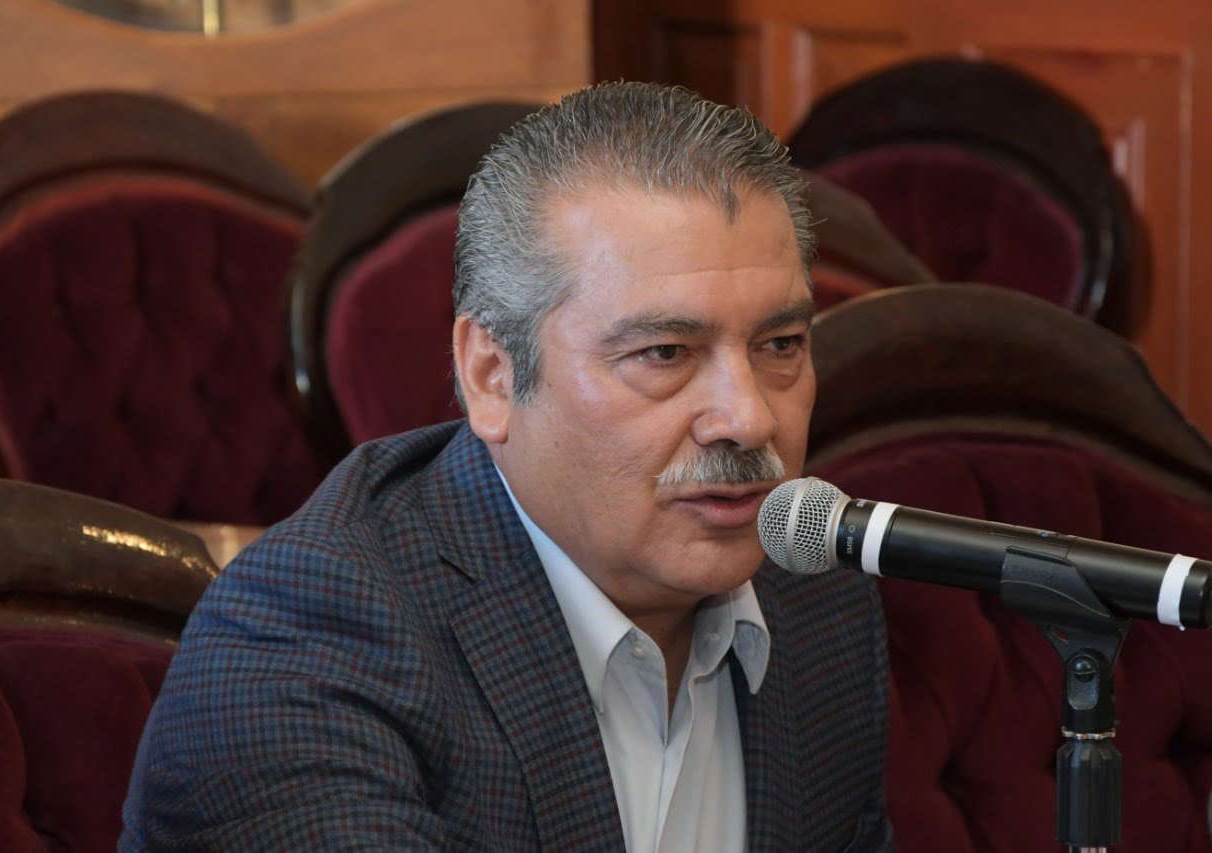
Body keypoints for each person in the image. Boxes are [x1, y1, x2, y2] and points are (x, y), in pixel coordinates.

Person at [120, 82, 894, 852]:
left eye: (781, 345)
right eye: (664, 353)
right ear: (492, 376)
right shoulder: (310, 636)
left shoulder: (816, 599)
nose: (750, 417)